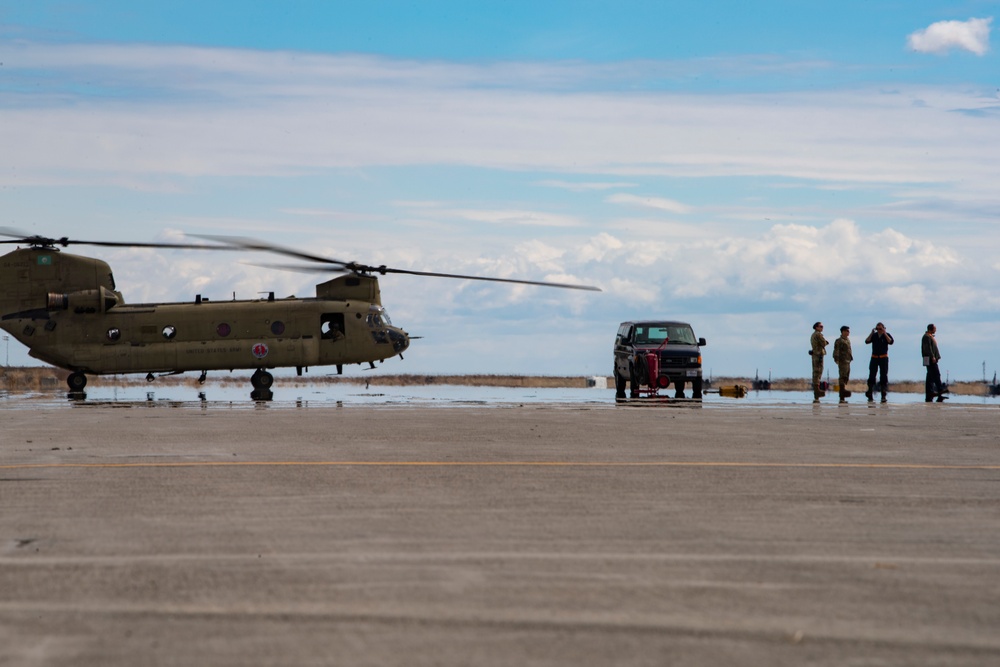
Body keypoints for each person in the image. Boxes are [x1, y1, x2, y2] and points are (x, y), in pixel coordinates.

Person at [864, 322, 894, 402]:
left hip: (883, 358)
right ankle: (870, 392)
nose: (879, 330)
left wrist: (884, 333)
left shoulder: (887, 335)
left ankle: (883, 395)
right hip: (874, 357)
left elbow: (891, 342)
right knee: (872, 375)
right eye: (878, 328)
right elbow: (867, 341)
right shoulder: (874, 336)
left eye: (880, 328)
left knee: (883, 376)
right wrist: (872, 333)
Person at [921, 323, 947, 402]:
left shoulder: (930, 336)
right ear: (930, 329)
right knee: (936, 374)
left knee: (930, 378)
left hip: (931, 359)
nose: (935, 330)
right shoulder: (926, 337)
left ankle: (930, 395)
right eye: (934, 328)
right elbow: (928, 348)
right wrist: (932, 356)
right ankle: (940, 390)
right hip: (929, 359)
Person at [832, 325, 853, 403]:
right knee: (842, 376)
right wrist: (836, 359)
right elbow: (836, 351)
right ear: (843, 331)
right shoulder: (839, 340)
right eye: (847, 331)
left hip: (848, 360)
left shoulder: (847, 340)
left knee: (846, 376)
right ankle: (842, 395)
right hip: (842, 361)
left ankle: (843, 393)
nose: (848, 332)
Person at [809, 322, 828, 402]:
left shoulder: (813, 335)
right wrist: (826, 342)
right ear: (816, 327)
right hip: (818, 355)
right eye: (820, 326)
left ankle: (817, 390)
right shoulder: (818, 334)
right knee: (818, 372)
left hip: (815, 355)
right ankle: (817, 391)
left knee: (815, 372)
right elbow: (823, 343)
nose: (822, 328)